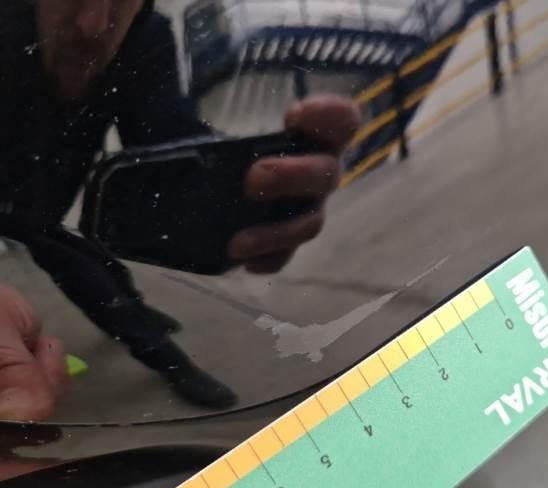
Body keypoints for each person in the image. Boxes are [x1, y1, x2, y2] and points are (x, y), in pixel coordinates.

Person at [0, 0, 360, 417]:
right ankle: (169, 360)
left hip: (56, 195)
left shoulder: (146, 34)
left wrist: (236, 184)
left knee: (103, 255)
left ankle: (141, 310)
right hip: (12, 205)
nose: (93, 24)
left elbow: (165, 139)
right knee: (86, 275)